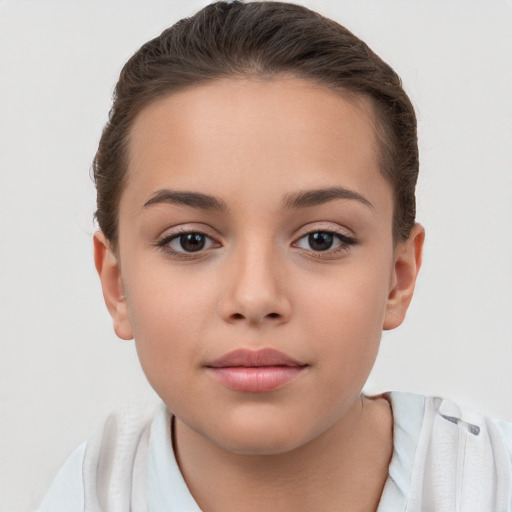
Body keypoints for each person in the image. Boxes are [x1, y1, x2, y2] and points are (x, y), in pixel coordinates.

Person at [38, 2, 512, 511]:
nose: (256, 297)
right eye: (190, 240)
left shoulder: (485, 486)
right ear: (117, 286)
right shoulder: (90, 494)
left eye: (321, 239)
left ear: (398, 278)